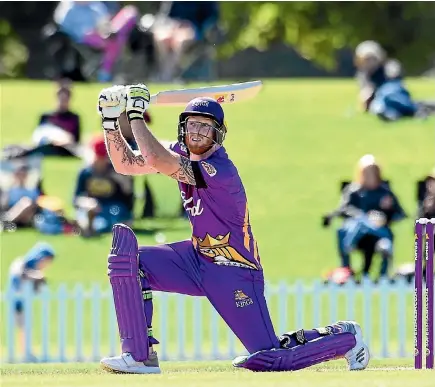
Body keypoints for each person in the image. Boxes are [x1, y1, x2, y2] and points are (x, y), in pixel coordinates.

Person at [96, 84, 370, 374]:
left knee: (270, 357)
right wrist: (111, 120)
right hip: (196, 259)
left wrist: (136, 114)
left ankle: (346, 338)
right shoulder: (181, 152)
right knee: (129, 262)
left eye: (205, 127)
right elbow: (127, 165)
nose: (198, 132)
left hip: (234, 269)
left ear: (218, 135)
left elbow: (155, 159)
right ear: (182, 129)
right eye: (192, 126)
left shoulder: (220, 170)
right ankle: (140, 356)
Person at [325, 155, 406, 281]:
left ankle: (382, 277)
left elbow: (400, 213)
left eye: (373, 171)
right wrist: (361, 216)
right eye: (366, 172)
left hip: (378, 233)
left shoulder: (385, 192)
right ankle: (346, 268)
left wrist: (386, 212)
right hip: (357, 230)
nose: (370, 175)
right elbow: (344, 209)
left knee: (383, 240)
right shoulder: (353, 191)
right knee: (356, 224)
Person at [54, 1, 138, 82]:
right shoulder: (68, 8)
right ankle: (105, 75)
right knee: (113, 43)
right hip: (80, 39)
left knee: (114, 40)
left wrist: (102, 30)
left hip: (100, 35)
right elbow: (63, 27)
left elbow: (103, 22)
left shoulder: (95, 6)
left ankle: (105, 74)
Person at [354, 40, 435, 121]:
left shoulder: (389, 66)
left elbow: (395, 79)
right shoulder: (364, 75)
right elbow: (365, 94)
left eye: (370, 58)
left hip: (394, 94)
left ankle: (413, 110)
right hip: (379, 100)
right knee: (380, 105)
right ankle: (397, 114)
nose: (368, 62)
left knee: (389, 96)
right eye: (365, 60)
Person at [73, 134, 134, 237]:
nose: (100, 162)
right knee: (84, 213)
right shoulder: (86, 172)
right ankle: (87, 226)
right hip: (93, 207)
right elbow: (76, 198)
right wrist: (86, 202)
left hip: (112, 208)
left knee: (115, 215)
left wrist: (124, 182)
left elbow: (128, 201)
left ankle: (94, 228)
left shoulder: (117, 171)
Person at [8, 243, 55, 361]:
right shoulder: (21, 263)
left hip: (24, 302)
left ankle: (26, 351)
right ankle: (25, 353)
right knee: (23, 326)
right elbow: (20, 275)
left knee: (25, 326)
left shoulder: (32, 268)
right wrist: (36, 277)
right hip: (17, 300)